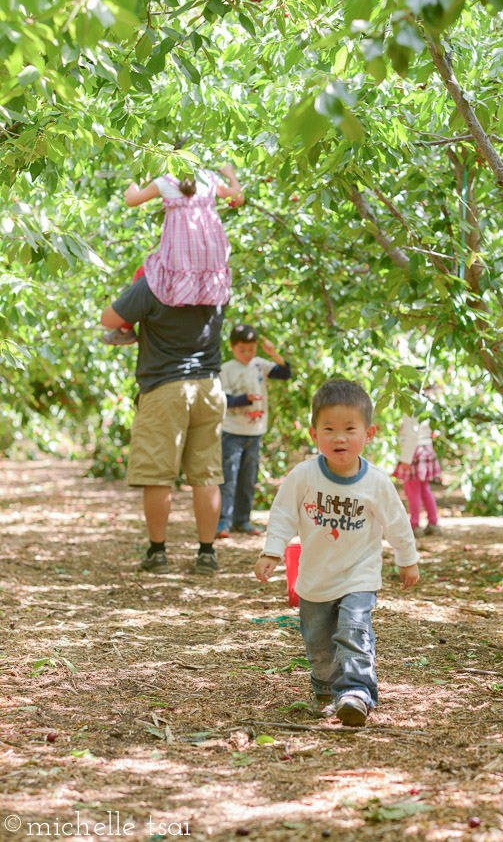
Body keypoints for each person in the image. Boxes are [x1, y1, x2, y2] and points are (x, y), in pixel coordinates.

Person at [254, 378, 419, 727]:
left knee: (353, 628)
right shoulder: (303, 476)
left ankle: (357, 692)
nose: (339, 437)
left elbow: (397, 523)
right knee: (317, 642)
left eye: (349, 428)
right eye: (328, 429)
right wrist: (272, 551)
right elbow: (283, 514)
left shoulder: (376, 482)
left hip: (359, 574)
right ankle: (327, 689)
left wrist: (407, 559)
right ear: (314, 435)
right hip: (314, 578)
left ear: (368, 433)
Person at [100, 275, 226, 575]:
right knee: (206, 472)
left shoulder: (155, 283)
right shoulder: (218, 282)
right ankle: (207, 554)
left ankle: (157, 552)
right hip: (209, 387)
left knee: (158, 474)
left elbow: (108, 319)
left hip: (165, 388)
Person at [102, 162, 244, 345]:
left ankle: (125, 329)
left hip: (180, 259)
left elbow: (130, 199)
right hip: (209, 259)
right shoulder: (210, 178)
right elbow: (238, 197)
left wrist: (142, 177)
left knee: (143, 273)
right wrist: (230, 174)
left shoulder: (166, 181)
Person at [216, 323, 292, 538]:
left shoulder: (259, 364)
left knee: (248, 480)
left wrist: (273, 353)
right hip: (232, 432)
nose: (247, 354)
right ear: (232, 347)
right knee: (229, 478)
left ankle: (242, 520)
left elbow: (285, 373)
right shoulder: (227, 368)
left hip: (254, 432)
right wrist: (245, 400)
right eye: (242, 350)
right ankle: (223, 522)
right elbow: (225, 400)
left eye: (251, 349)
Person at [392, 413, 442, 537]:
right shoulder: (425, 402)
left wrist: (406, 459)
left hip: (414, 450)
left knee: (412, 489)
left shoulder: (411, 405)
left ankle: (414, 525)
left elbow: (412, 434)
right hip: (426, 447)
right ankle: (433, 523)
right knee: (425, 489)